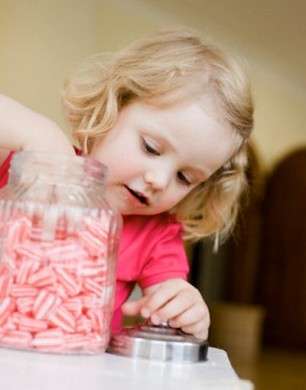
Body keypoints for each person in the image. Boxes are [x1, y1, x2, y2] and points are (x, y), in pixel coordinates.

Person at [0, 28, 253, 340]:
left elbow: (168, 297)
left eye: (184, 177)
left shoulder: (158, 234)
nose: (158, 180)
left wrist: (184, 306)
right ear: (112, 106)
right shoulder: (29, 166)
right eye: (150, 147)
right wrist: (38, 132)